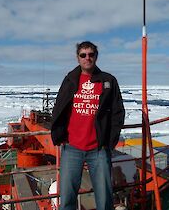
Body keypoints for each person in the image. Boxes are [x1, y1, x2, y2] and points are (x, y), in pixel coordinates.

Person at [51, 41, 125, 210]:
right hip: (72, 147)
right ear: (78, 58)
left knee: (104, 200)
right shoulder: (70, 79)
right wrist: (60, 136)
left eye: (91, 54)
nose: (87, 58)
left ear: (96, 56)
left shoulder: (108, 81)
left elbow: (117, 112)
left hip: (98, 149)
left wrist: (109, 141)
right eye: (83, 55)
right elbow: (59, 107)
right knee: (67, 199)